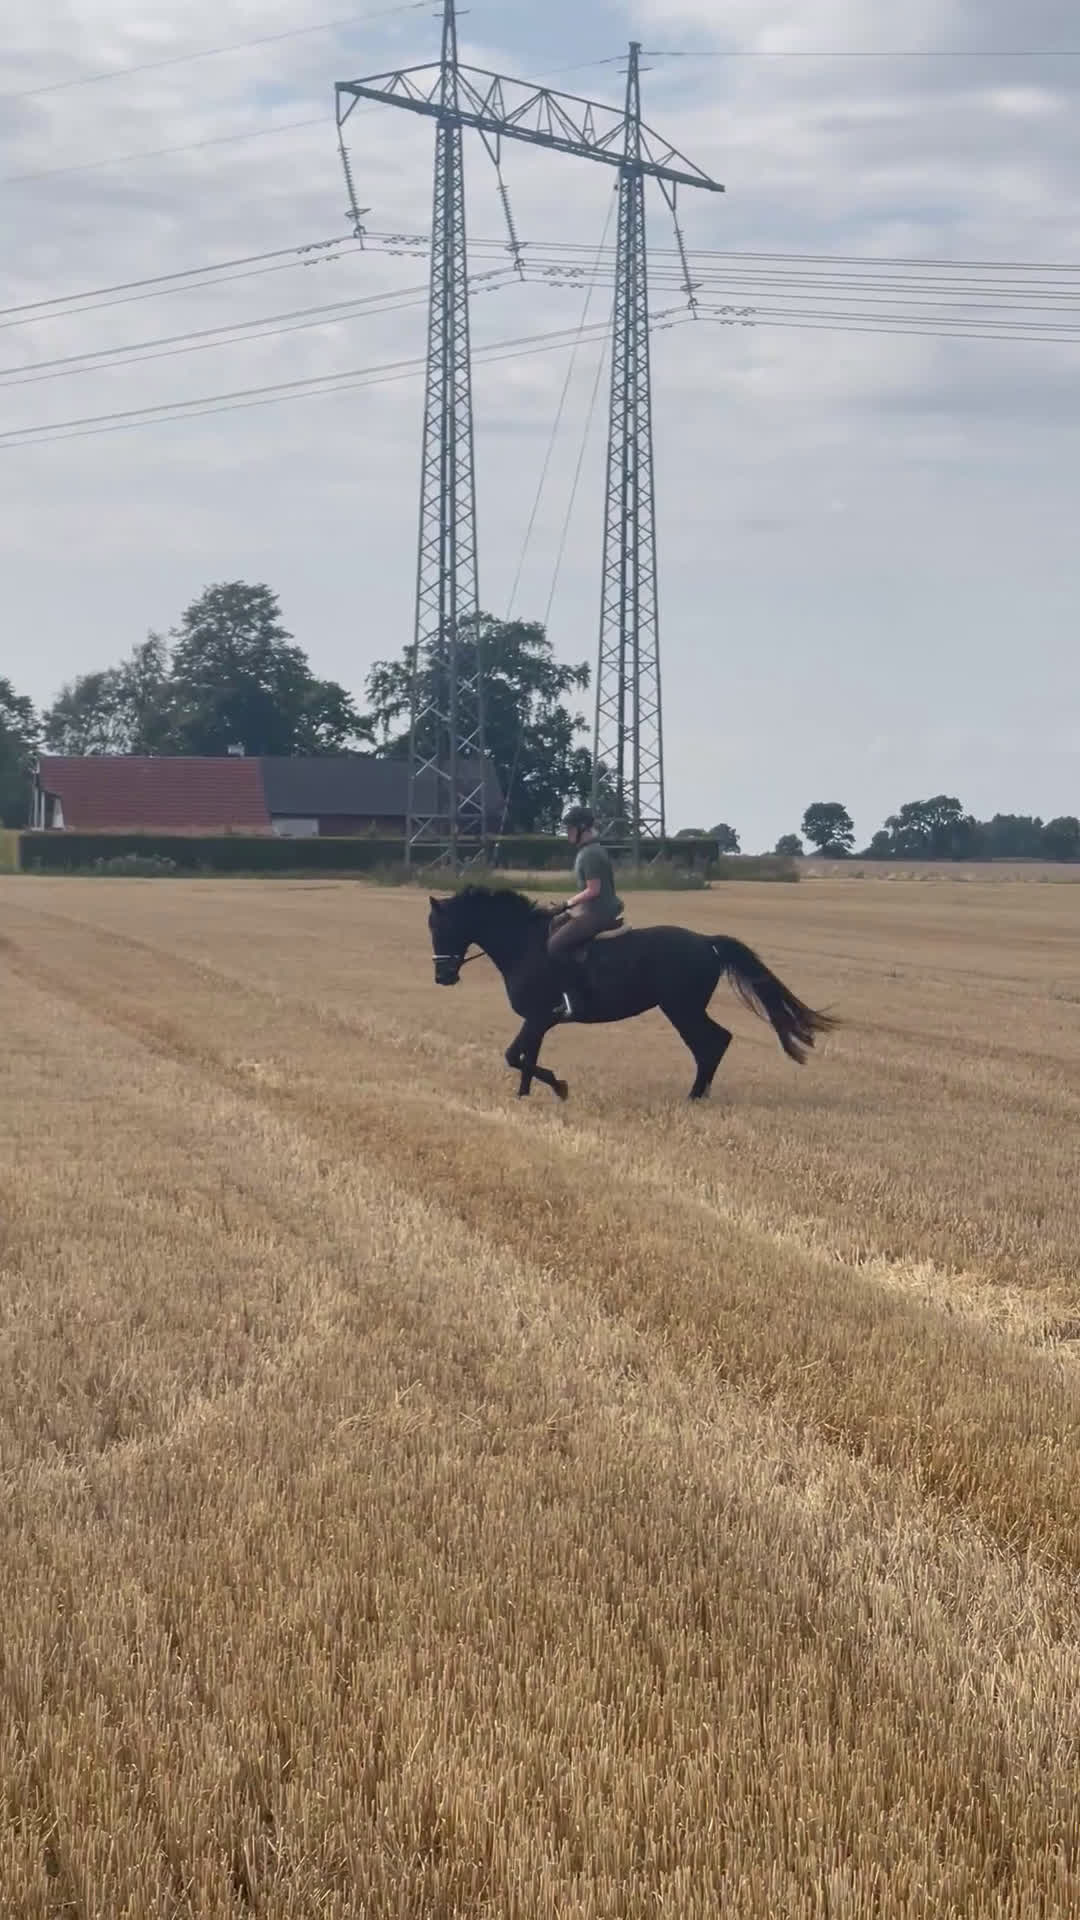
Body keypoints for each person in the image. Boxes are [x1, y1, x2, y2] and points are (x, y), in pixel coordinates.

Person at [547, 805, 624, 1019]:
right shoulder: (589, 851)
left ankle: (574, 1001)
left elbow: (593, 890)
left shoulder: (590, 854)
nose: (567, 833)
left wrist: (566, 903)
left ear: (582, 828)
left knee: (555, 946)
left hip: (597, 913)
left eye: (570, 828)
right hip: (591, 909)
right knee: (553, 926)